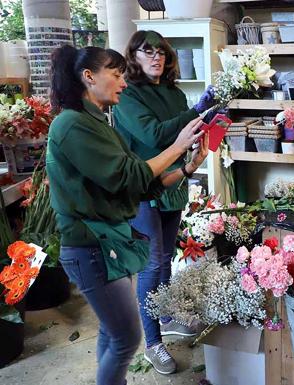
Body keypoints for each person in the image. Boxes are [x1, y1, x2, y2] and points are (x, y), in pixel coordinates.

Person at [47, 45, 209, 385]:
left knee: (113, 332)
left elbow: (140, 185)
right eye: (116, 74)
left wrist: (188, 166)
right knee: (125, 338)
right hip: (90, 247)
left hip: (109, 245)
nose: (123, 82)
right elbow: (130, 176)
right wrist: (178, 145)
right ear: (88, 77)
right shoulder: (71, 125)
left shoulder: (100, 123)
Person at [112, 30, 217, 375]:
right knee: (152, 263)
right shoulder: (128, 96)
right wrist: (196, 110)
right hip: (142, 188)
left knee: (167, 257)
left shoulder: (171, 92)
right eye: (147, 52)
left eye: (160, 52)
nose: (155, 57)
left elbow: (185, 131)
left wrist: (212, 118)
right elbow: (155, 136)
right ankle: (153, 343)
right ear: (134, 58)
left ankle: (167, 314)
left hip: (172, 183)